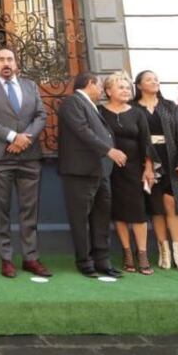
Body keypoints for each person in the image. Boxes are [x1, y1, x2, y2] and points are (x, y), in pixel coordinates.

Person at [0, 47, 51, 279]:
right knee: (2, 211)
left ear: (16, 63)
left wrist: (25, 138)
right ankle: (6, 259)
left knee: (30, 210)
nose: (6, 63)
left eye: (9, 59)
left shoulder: (30, 86)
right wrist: (12, 137)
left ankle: (30, 257)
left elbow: (41, 115)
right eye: (1, 59)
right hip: (0, 159)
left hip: (29, 157)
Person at [57, 72, 121, 279]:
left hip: (100, 171)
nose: (101, 90)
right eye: (100, 85)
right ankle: (84, 261)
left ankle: (103, 260)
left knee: (101, 218)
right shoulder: (72, 102)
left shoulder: (90, 105)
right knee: (81, 219)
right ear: (90, 83)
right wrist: (108, 150)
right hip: (80, 171)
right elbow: (83, 131)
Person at [134, 70, 178, 273]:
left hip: (171, 158)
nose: (154, 82)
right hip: (146, 161)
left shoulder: (169, 106)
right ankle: (164, 251)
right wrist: (145, 164)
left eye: (156, 79)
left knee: (173, 203)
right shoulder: (134, 108)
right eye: (149, 79)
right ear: (140, 85)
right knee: (156, 206)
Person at [99, 72, 155, 275]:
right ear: (108, 91)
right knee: (118, 213)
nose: (125, 90)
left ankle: (142, 254)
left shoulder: (137, 113)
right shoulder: (99, 112)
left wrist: (148, 168)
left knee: (138, 213)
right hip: (109, 170)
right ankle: (127, 253)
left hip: (134, 170)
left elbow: (146, 142)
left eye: (127, 87)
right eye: (120, 87)